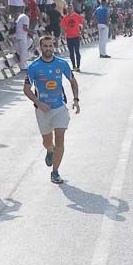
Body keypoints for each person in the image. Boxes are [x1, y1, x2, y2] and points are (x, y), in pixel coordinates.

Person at [23, 35, 79, 185]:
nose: (48, 49)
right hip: (42, 111)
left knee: (60, 139)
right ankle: (49, 150)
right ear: (40, 48)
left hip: (59, 108)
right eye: (45, 46)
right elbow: (26, 89)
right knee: (47, 141)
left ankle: (55, 172)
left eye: (50, 46)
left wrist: (76, 100)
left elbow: (73, 80)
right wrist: (38, 103)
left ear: (54, 47)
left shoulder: (62, 64)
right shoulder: (33, 67)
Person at [61, 5, 85, 70]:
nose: (69, 10)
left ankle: (78, 66)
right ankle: (74, 66)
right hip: (69, 37)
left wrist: (82, 31)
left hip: (76, 36)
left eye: (71, 8)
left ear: (73, 9)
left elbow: (83, 22)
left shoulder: (77, 16)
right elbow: (62, 26)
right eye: (68, 9)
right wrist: (63, 33)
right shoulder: (65, 17)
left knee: (77, 51)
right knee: (71, 52)